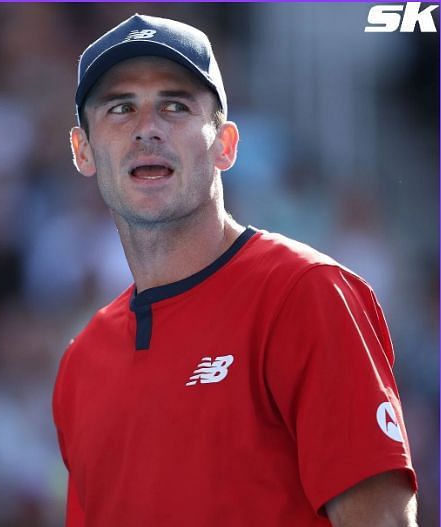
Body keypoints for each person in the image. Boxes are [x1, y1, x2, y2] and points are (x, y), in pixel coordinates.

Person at [52, 14, 417, 527]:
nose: (147, 129)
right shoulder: (81, 362)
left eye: (175, 106)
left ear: (225, 144)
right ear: (83, 150)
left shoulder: (305, 294)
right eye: (120, 108)